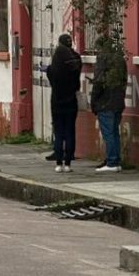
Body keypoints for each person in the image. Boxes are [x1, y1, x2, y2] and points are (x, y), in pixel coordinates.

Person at [90, 33, 128, 173]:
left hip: (105, 102)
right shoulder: (120, 59)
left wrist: (93, 101)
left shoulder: (103, 59)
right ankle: (115, 161)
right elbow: (124, 80)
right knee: (114, 132)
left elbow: (98, 82)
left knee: (108, 133)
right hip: (118, 100)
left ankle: (112, 162)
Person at [46, 33, 82, 174]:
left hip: (57, 101)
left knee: (59, 132)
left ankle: (58, 162)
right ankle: (68, 163)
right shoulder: (76, 59)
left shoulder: (56, 62)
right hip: (71, 100)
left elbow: (51, 75)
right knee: (70, 131)